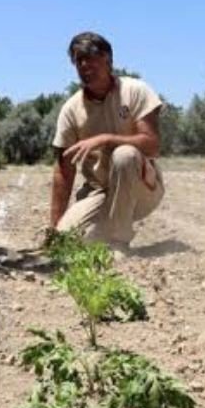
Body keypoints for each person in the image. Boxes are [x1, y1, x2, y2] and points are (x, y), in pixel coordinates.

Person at [49, 31, 165, 248]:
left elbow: (153, 145)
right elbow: (63, 169)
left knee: (125, 154)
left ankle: (119, 242)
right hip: (101, 192)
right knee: (68, 240)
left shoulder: (135, 91)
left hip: (143, 189)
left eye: (90, 57)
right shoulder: (71, 110)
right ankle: (93, 232)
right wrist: (55, 226)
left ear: (108, 59)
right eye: (78, 60)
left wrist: (106, 139)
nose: (84, 65)